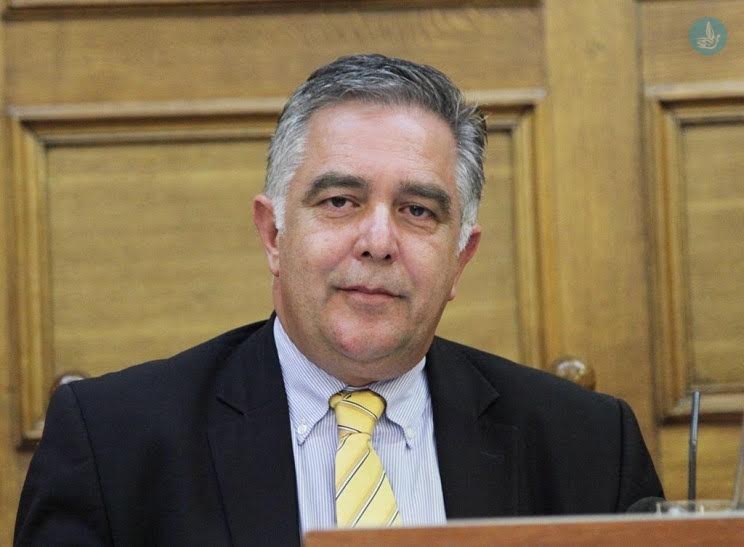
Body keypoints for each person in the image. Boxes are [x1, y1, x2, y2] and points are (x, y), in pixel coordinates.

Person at [15, 54, 663, 546]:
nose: (377, 241)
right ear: (273, 234)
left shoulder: (588, 445)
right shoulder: (115, 443)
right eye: (340, 201)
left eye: (417, 210)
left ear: (461, 258)